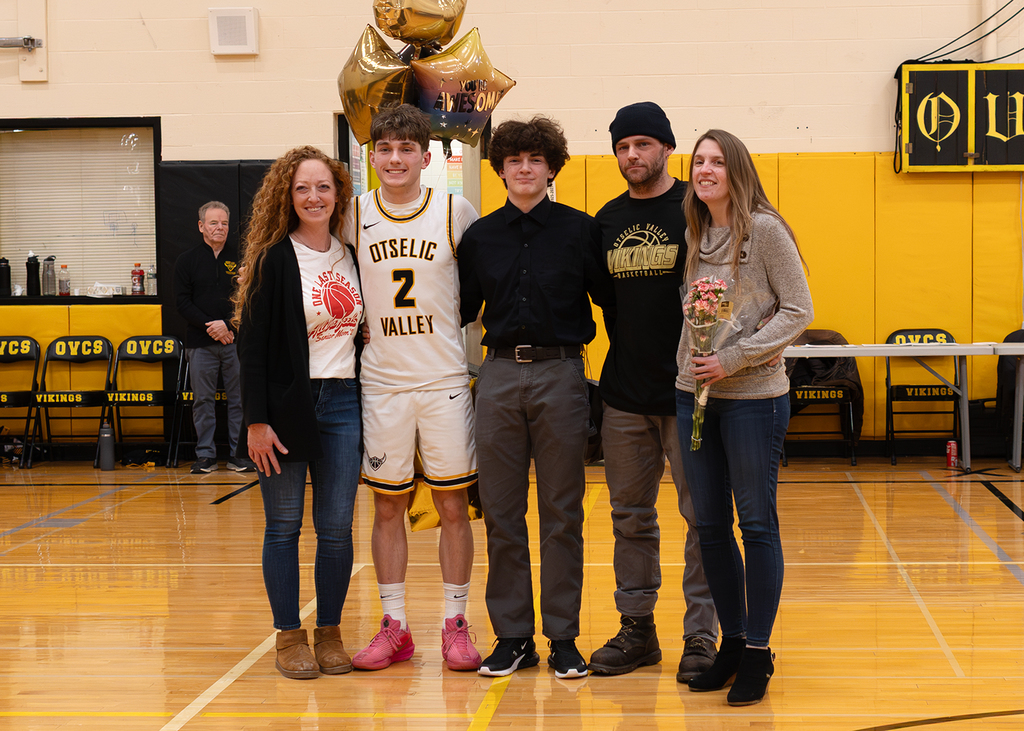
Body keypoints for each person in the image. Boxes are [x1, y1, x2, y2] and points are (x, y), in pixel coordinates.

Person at [459, 115, 613, 679]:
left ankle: (564, 636)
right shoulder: (479, 237)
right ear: (499, 168)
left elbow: (610, 303)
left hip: (561, 375)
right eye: (514, 159)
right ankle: (513, 636)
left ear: (551, 168)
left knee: (561, 512)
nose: (525, 168)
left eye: (536, 159)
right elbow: (458, 310)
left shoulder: (581, 230)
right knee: (500, 511)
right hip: (496, 375)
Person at [675, 129, 812, 706]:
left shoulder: (766, 230)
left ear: (737, 170)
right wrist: (694, 369)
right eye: (698, 161)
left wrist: (733, 358)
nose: (705, 170)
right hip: (695, 397)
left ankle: (757, 650)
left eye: (716, 161)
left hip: (754, 399)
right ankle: (730, 642)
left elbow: (800, 309)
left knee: (755, 524)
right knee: (709, 527)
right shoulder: (697, 231)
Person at [344, 104, 482, 672]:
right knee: (386, 507)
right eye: (385, 149)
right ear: (371, 156)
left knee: (453, 505)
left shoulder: (455, 209)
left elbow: (478, 287)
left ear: (427, 158)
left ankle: (455, 622)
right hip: (382, 383)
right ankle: (394, 625)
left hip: (444, 380)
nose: (395, 158)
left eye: (407, 150)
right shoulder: (351, 214)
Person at [588, 102, 719, 680]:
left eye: (644, 143)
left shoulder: (699, 207)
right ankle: (638, 629)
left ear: (667, 147)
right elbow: (609, 303)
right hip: (624, 397)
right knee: (630, 518)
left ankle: (702, 635)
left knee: (703, 518)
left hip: (692, 395)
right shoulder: (607, 220)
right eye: (623, 146)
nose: (633, 155)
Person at [234, 146, 363, 680]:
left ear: (338, 195)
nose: (314, 197)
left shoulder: (350, 255)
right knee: (283, 527)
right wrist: (256, 422)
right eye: (302, 188)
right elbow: (253, 349)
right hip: (286, 409)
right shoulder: (272, 259)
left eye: (323, 187)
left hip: (344, 402)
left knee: (336, 529)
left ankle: (329, 632)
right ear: (287, 197)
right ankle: (290, 635)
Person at [174, 201, 254, 473]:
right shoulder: (187, 260)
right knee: (203, 401)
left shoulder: (243, 259)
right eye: (213, 223)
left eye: (224, 223)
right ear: (201, 226)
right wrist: (212, 326)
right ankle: (205, 455)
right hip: (200, 344)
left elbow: (249, 298)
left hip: (235, 342)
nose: (219, 228)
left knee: (239, 400)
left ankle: (238, 454)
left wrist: (229, 327)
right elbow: (183, 303)